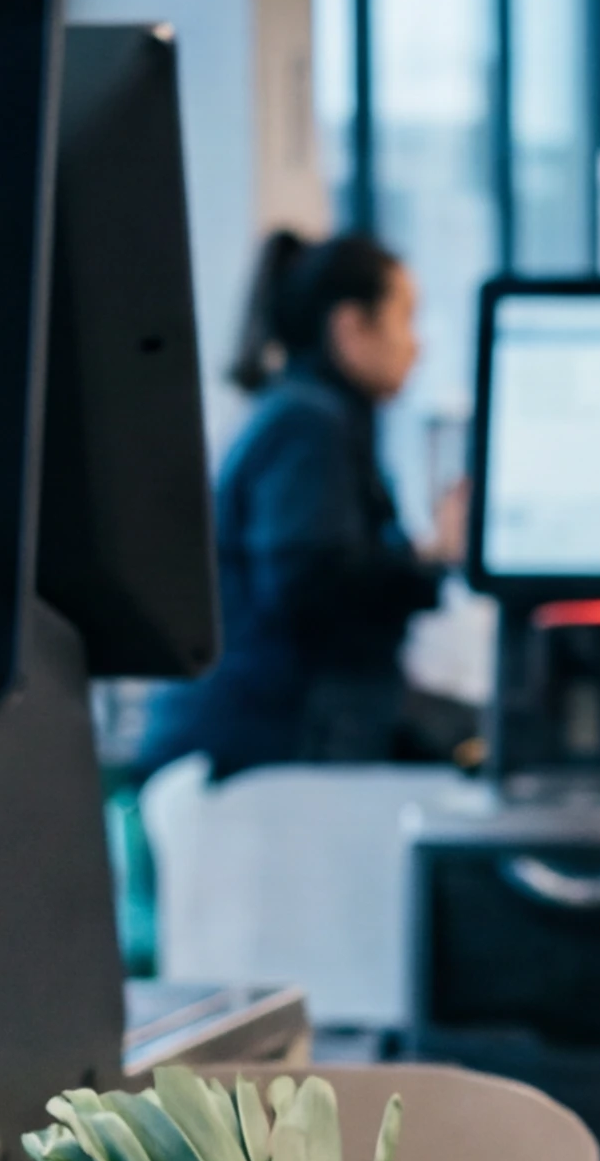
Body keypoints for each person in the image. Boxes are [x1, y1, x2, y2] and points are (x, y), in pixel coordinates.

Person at [153, 226, 449, 776]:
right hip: (267, 755)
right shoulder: (308, 426)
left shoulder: (312, 416)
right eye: (405, 318)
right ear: (350, 328)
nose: (417, 344)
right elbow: (308, 585)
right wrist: (431, 560)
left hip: (281, 744)